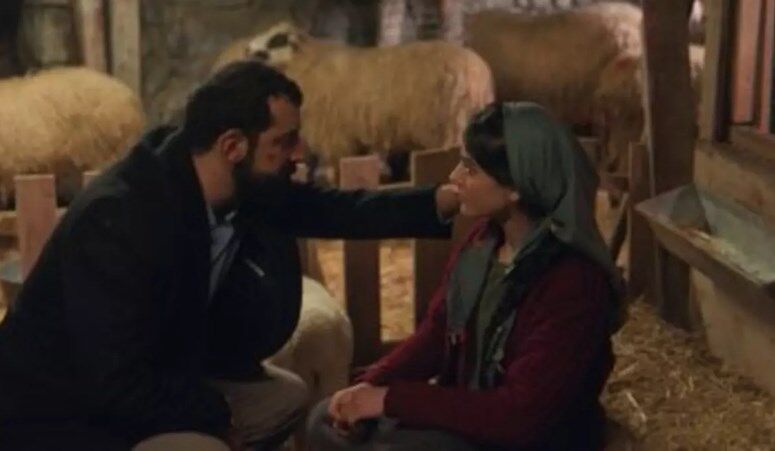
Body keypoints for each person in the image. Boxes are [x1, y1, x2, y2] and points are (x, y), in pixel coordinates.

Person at [0, 61, 458, 450]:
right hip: (65, 414)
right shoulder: (122, 218)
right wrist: (215, 415)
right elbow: (112, 382)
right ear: (233, 145)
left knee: (283, 396)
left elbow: (340, 210)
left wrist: (445, 201)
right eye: (286, 141)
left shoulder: (238, 183)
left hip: (158, 376)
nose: (300, 153)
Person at [308, 102, 626, 451]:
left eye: (471, 169)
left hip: (524, 439)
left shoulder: (572, 282)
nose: (455, 176)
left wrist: (390, 399)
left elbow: (519, 416)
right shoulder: (483, 243)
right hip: (473, 419)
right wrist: (369, 386)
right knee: (324, 418)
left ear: (516, 186)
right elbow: (437, 334)